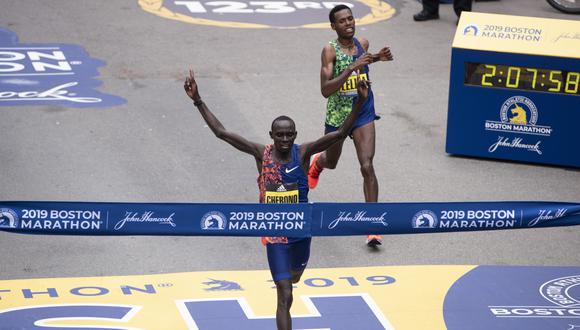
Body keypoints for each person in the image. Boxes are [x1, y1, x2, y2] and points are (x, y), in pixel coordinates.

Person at [184, 69, 369, 330]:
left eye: (289, 134)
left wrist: (360, 101)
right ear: (271, 136)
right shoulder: (262, 154)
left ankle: (293, 273)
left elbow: (338, 135)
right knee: (285, 295)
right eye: (279, 135)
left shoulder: (303, 153)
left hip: (302, 232)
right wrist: (198, 100)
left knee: (294, 279)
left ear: (295, 135)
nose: (284, 139)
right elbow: (222, 133)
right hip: (275, 234)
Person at [308, 4, 393, 247]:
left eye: (351, 18)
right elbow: (325, 90)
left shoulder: (362, 43)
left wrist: (378, 58)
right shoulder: (329, 51)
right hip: (338, 115)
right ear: (333, 26)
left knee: (367, 166)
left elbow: (365, 60)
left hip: (363, 111)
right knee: (331, 162)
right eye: (342, 21)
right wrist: (351, 68)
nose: (349, 23)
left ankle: (373, 225)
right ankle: (318, 165)